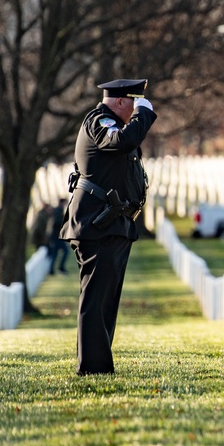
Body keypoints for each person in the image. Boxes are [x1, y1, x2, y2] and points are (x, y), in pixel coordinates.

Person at [60, 78, 156, 376]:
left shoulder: (114, 122)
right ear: (120, 102)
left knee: (106, 300)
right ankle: (92, 367)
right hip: (95, 224)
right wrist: (144, 115)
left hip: (110, 224)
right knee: (96, 297)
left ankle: (97, 363)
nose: (136, 110)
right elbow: (120, 142)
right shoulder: (100, 120)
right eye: (134, 103)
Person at [47, 199, 70, 274]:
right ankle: (59, 268)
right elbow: (56, 222)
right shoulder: (58, 210)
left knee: (56, 253)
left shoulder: (58, 210)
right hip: (56, 236)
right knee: (64, 251)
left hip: (56, 236)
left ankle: (52, 269)